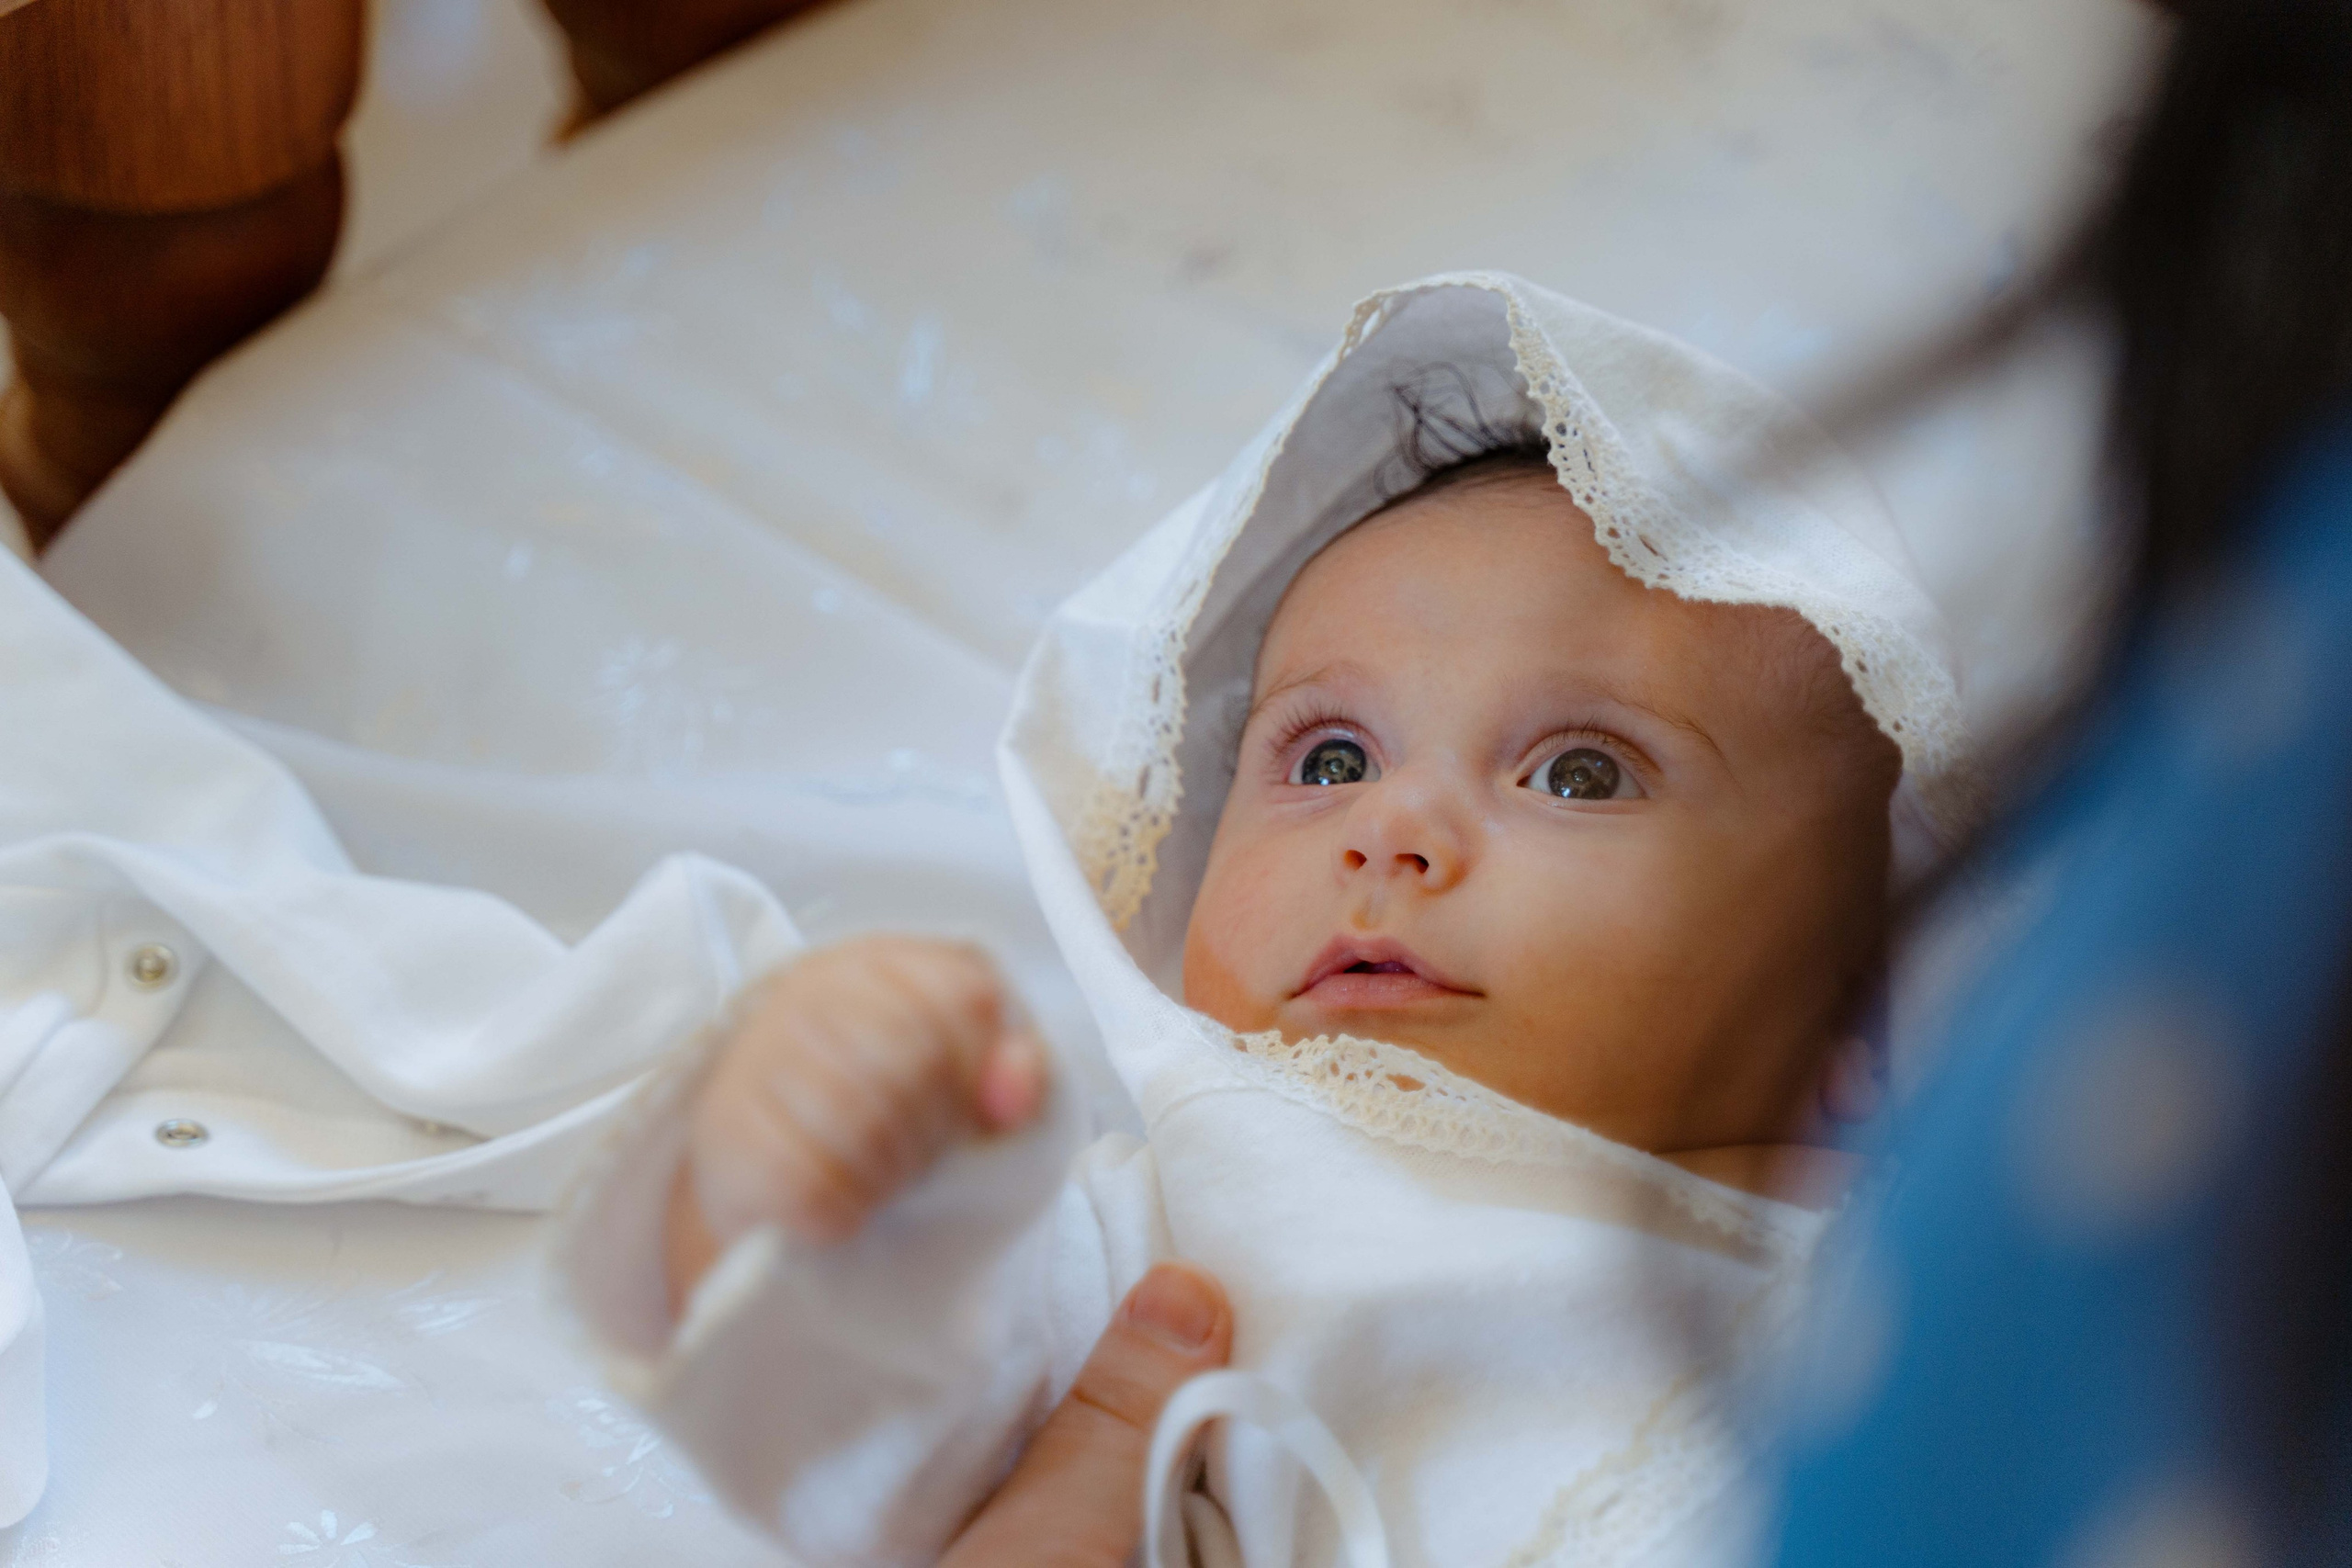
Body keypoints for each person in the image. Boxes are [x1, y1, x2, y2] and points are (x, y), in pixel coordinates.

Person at [556, 273, 1972, 1564]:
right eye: (1329, 759)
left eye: (1577, 771)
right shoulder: (1193, 1213)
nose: (1390, 830)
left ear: (1856, 1001)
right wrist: (815, 1170)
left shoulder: (1987, 1218)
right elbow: (884, 1398)